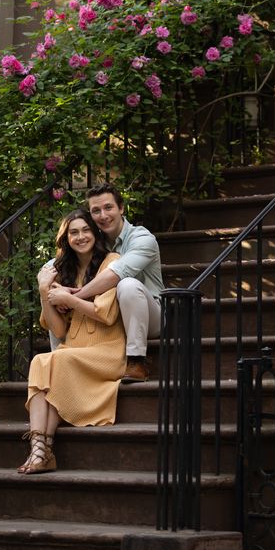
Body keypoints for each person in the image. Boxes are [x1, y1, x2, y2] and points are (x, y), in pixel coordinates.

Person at [20, 207, 126, 474]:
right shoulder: (62, 271)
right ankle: (40, 450)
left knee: (56, 362)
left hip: (107, 350)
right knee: (41, 361)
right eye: (73, 232)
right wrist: (45, 291)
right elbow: (57, 331)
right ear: (65, 238)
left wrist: (69, 299)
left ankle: (42, 451)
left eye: (86, 230)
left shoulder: (111, 261)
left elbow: (106, 314)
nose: (80, 237)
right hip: (74, 350)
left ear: (96, 232)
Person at [38, 182, 165, 383]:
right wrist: (45, 279)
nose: (103, 215)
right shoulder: (95, 240)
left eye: (108, 207)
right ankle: (60, 361)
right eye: (96, 211)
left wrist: (71, 298)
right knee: (54, 286)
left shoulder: (141, 238)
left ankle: (137, 361)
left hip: (148, 317)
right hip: (111, 318)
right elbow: (56, 263)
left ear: (121, 208)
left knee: (127, 285)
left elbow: (115, 274)